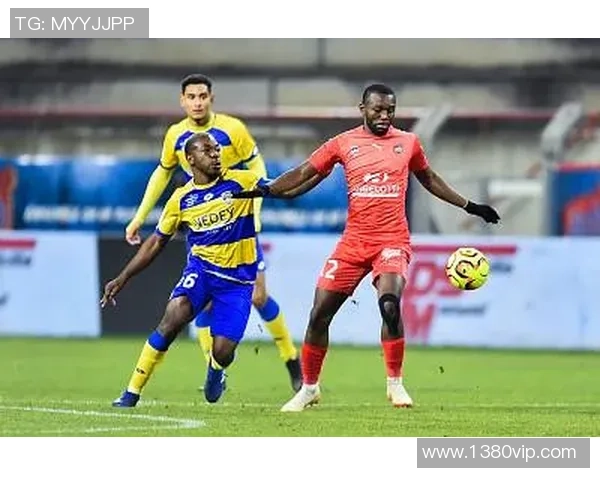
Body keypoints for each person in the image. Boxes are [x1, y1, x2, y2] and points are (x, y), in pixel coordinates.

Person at [233, 83, 501, 412]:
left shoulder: (408, 142)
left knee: (390, 304)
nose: (385, 115)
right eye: (378, 109)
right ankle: (309, 389)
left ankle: (395, 384)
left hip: (392, 240)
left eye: (390, 110)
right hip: (353, 242)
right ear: (363, 109)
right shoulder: (343, 143)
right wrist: (268, 189)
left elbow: (429, 179)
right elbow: (304, 173)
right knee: (319, 315)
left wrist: (470, 206)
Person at [124, 74, 302, 392]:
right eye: (191, 97)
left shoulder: (233, 129)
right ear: (182, 101)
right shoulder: (175, 135)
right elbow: (163, 174)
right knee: (202, 301)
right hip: (204, 225)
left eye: (202, 96)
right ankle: (214, 367)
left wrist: (255, 207)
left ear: (211, 98)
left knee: (259, 295)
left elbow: (256, 166)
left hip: (240, 223)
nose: (197, 102)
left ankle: (291, 360)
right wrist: (139, 217)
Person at [104, 132, 271, 407]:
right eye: (208, 150)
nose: (215, 154)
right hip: (202, 271)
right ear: (190, 158)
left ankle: (216, 368)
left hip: (237, 282)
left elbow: (279, 188)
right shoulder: (181, 199)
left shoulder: (242, 181)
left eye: (217, 149)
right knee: (173, 315)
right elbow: (156, 242)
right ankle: (131, 392)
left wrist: (313, 171)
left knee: (223, 351)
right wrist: (123, 277)